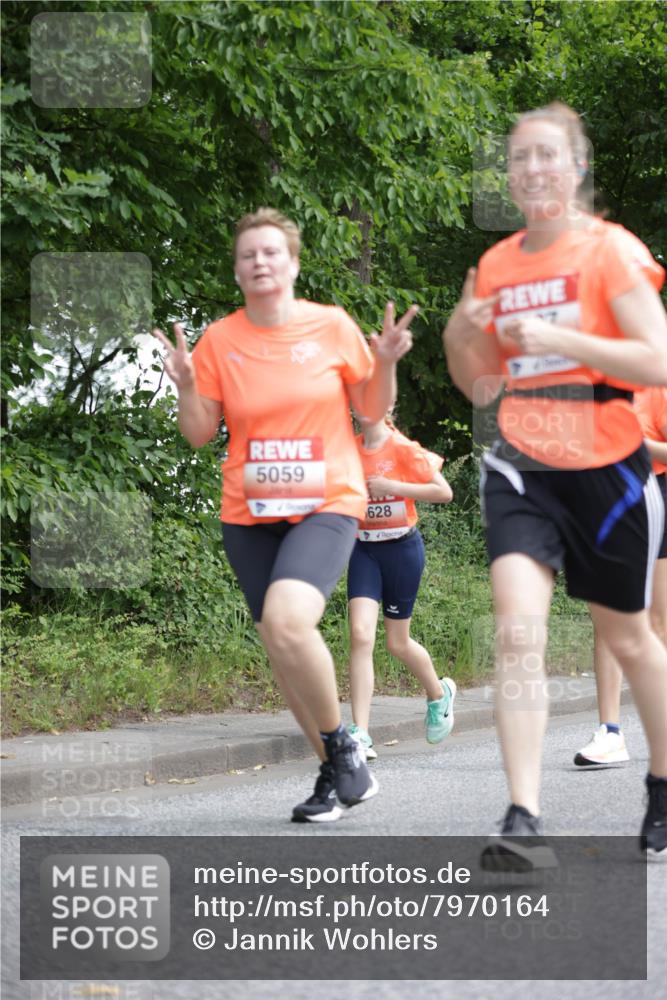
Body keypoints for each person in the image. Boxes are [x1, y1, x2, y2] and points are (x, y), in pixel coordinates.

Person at [443, 102, 667, 866]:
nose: (532, 169)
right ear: (506, 175)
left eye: (547, 156)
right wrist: (457, 334)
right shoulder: (497, 265)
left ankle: (663, 783)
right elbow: (477, 386)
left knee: (629, 638)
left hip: (607, 466)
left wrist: (562, 338)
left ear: (576, 168)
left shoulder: (610, 252)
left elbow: (658, 360)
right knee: (515, 632)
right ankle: (523, 817)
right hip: (523, 461)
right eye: (518, 158)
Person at [153, 207, 417, 823]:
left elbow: (371, 413)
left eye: (272, 252)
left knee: (288, 621)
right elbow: (198, 434)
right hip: (250, 510)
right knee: (278, 640)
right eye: (248, 255)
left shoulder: (331, 327)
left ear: (293, 264)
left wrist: (385, 364)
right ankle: (334, 770)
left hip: (327, 502)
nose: (260, 262)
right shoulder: (220, 340)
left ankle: (344, 749)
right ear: (237, 271)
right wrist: (187, 385)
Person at [346, 414, 455, 760]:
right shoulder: (347, 449)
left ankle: (439, 696)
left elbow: (444, 492)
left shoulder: (403, 449)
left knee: (398, 642)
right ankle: (360, 733)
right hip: (364, 549)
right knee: (361, 634)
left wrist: (392, 487)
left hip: (402, 550)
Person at [574, 385, 667, 767]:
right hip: (604, 500)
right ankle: (610, 731)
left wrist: (633, 443)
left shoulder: (656, 386)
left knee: (658, 621)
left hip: (656, 494)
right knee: (609, 621)